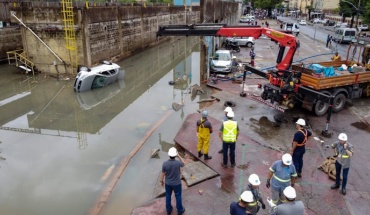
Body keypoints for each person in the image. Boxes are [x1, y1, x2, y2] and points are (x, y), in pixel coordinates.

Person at [161, 147, 186, 215]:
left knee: (168, 196)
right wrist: (179, 156)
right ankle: (180, 210)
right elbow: (184, 163)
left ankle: (169, 210)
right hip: (177, 183)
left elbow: (163, 174)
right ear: (175, 155)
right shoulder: (178, 163)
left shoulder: (165, 163)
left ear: (169, 155)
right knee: (178, 196)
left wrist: (161, 181)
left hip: (168, 183)